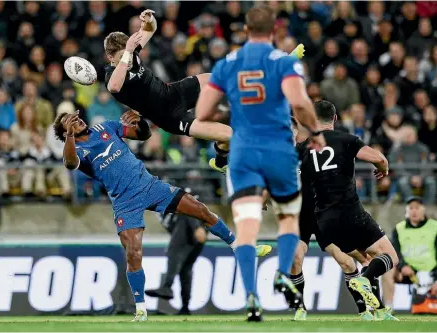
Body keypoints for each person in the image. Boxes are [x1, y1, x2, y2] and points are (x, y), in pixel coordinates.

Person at [53, 111, 271, 322]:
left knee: (200, 209)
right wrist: (71, 135)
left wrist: (141, 122)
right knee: (133, 252)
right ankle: (141, 310)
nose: (77, 120)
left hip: (149, 186)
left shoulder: (106, 127)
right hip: (125, 202)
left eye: (76, 117)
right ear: (65, 133)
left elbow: (143, 134)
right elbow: (70, 164)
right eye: (69, 122)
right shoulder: (77, 149)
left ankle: (236, 244)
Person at [195, 6, 325, 322]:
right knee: (289, 218)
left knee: (247, 227)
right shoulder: (283, 62)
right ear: (274, 30)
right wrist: (317, 132)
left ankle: (252, 295)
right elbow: (299, 103)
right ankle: (282, 272)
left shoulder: (228, 63)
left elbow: (202, 111)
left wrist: (236, 112)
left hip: (243, 153)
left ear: (245, 29)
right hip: (278, 150)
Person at [297, 100, 399, 320]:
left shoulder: (303, 147)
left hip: (325, 222)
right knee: (390, 256)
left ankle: (380, 311)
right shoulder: (346, 140)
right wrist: (383, 168)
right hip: (350, 212)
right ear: (335, 118)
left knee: (366, 258)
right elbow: (378, 158)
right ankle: (363, 280)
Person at [104, 9, 231, 173]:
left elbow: (150, 29)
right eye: (121, 56)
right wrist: (127, 52)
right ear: (110, 57)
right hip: (170, 116)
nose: (126, 60)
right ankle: (221, 162)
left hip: (175, 92)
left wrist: (149, 20)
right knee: (228, 135)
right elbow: (114, 87)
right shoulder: (111, 75)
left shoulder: (131, 52)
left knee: (217, 78)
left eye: (126, 54)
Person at [290, 116, 374, 321]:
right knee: (295, 257)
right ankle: (299, 308)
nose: (289, 133)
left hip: (322, 213)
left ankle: (364, 310)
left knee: (345, 261)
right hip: (300, 215)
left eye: (292, 129)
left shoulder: (311, 150)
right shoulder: (289, 156)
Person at [146, 189, 207, 315]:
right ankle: (185, 307)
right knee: (185, 270)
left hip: (193, 228)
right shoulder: (160, 210)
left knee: (174, 251)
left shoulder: (168, 195)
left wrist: (196, 227)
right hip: (193, 236)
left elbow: (190, 203)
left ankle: (167, 287)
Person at [382, 197, 437, 315]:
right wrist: (403, 266)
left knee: (424, 309)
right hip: (408, 272)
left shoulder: (435, 227)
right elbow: (395, 251)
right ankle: (388, 307)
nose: (414, 211)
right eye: (411, 208)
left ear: (424, 210)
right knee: (388, 269)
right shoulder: (399, 228)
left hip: (431, 272)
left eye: (417, 208)